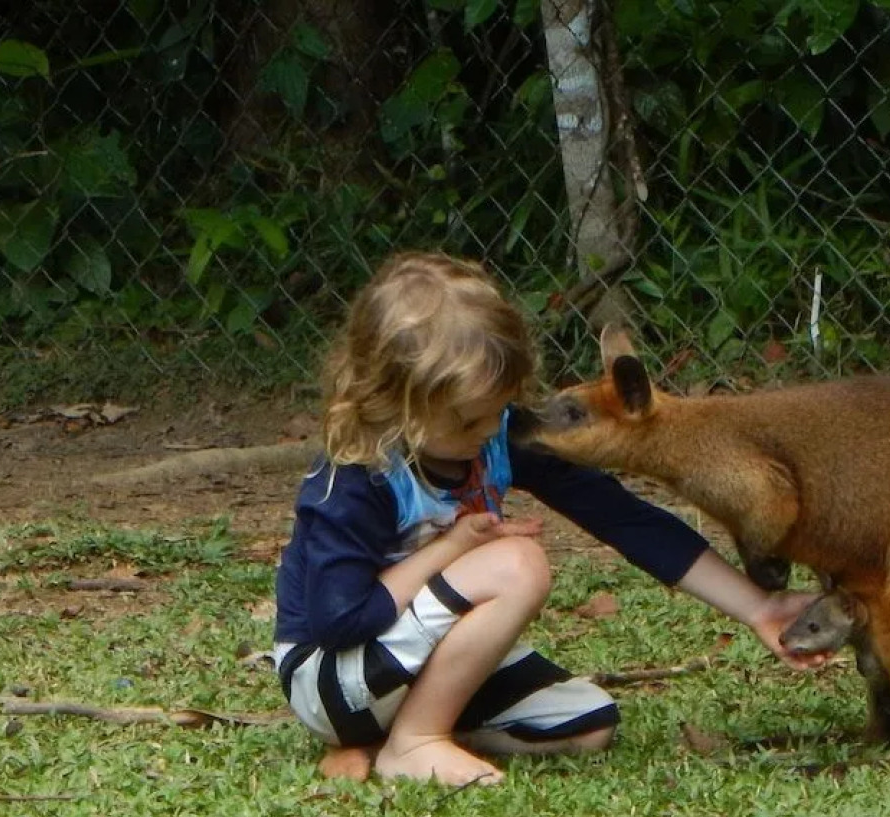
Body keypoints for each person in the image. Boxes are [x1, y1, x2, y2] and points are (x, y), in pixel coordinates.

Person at [273, 251, 822, 787]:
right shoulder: (357, 476)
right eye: (470, 421)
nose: (492, 430)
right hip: (331, 677)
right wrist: (453, 547)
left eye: (500, 408)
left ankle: (388, 738)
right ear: (398, 404)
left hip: (407, 668)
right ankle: (413, 741)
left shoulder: (492, 436)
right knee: (516, 564)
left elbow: (620, 516)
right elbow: (338, 622)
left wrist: (759, 607)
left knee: (586, 723)